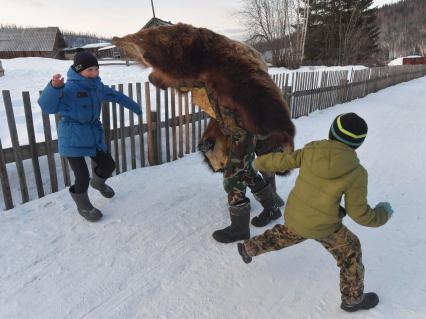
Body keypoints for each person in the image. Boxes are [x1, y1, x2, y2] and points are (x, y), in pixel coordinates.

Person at [237, 113, 393, 312]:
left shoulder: (311, 150)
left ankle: (249, 248)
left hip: (296, 216)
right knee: (350, 250)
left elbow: (284, 160)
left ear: (331, 133)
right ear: (357, 144)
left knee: (282, 235)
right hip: (325, 227)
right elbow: (359, 213)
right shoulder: (356, 173)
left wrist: (260, 163)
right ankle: (352, 299)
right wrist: (383, 213)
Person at [38, 51, 142, 222]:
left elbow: (117, 96)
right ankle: (84, 206)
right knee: (82, 176)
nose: (94, 73)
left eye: (96, 69)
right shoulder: (68, 89)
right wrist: (54, 87)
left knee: (108, 165)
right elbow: (47, 106)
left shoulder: (97, 87)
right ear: (79, 70)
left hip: (93, 135)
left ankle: (98, 183)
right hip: (72, 137)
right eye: (89, 70)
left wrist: (135, 107)